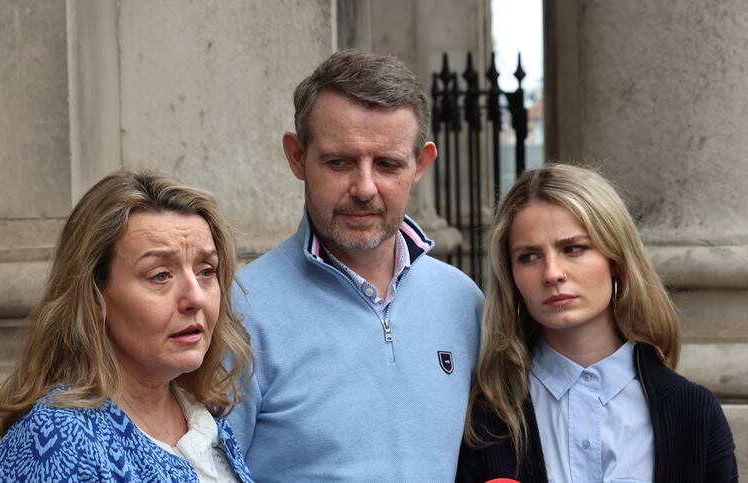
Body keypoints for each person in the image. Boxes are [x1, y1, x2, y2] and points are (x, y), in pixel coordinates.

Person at [227, 50, 485, 481]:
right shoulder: (238, 311)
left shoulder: (463, 301)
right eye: (339, 162)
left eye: (387, 164)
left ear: (421, 164)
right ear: (296, 157)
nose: (364, 188)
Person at [456, 164, 738, 483]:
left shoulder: (693, 412)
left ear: (615, 260)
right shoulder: (489, 421)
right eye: (529, 256)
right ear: (512, 276)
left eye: (573, 248)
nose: (552, 273)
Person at [0, 172, 254, 482]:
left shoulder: (202, 416)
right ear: (95, 297)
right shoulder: (59, 437)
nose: (195, 297)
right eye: (161, 275)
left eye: (206, 271)